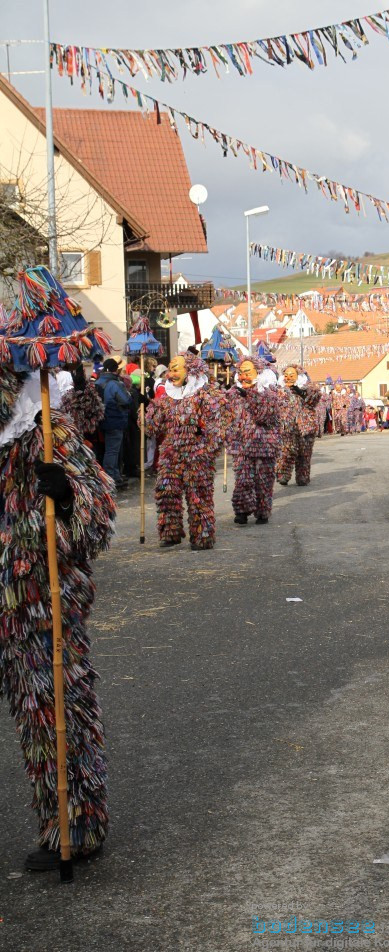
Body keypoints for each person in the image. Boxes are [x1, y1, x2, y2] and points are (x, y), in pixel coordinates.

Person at [0, 366, 115, 870]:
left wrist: (66, 497)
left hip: (37, 600)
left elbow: (99, 511)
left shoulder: (47, 430)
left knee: (51, 716)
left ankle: (75, 828)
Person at [144, 353, 224, 549]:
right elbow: (152, 428)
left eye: (176, 369)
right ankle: (170, 532)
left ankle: (202, 536)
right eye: (170, 369)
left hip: (198, 454)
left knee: (198, 496)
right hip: (170, 454)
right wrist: (146, 409)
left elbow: (218, 428)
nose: (171, 373)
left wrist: (206, 451)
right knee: (166, 490)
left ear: (190, 370)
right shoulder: (165, 397)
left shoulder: (206, 395)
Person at [225, 357, 281, 524]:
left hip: (264, 444)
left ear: (259, 373)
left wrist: (251, 396)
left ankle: (262, 511)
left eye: (247, 373)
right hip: (240, 444)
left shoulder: (269, 394)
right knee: (243, 479)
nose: (243, 377)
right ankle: (241, 511)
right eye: (241, 373)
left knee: (263, 480)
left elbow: (265, 416)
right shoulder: (232, 394)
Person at [276, 364, 321, 486]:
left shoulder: (307, 388)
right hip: (287, 428)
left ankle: (303, 476)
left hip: (305, 427)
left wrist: (301, 393)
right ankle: (283, 474)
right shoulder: (279, 391)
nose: (288, 378)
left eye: (292, 375)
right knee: (286, 450)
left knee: (304, 453)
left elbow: (315, 397)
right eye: (286, 375)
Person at [95, 358, 131, 490]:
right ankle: (111, 477)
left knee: (110, 450)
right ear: (115, 369)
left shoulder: (98, 381)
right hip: (115, 420)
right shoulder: (115, 383)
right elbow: (126, 400)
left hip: (102, 420)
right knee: (113, 451)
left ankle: (115, 475)